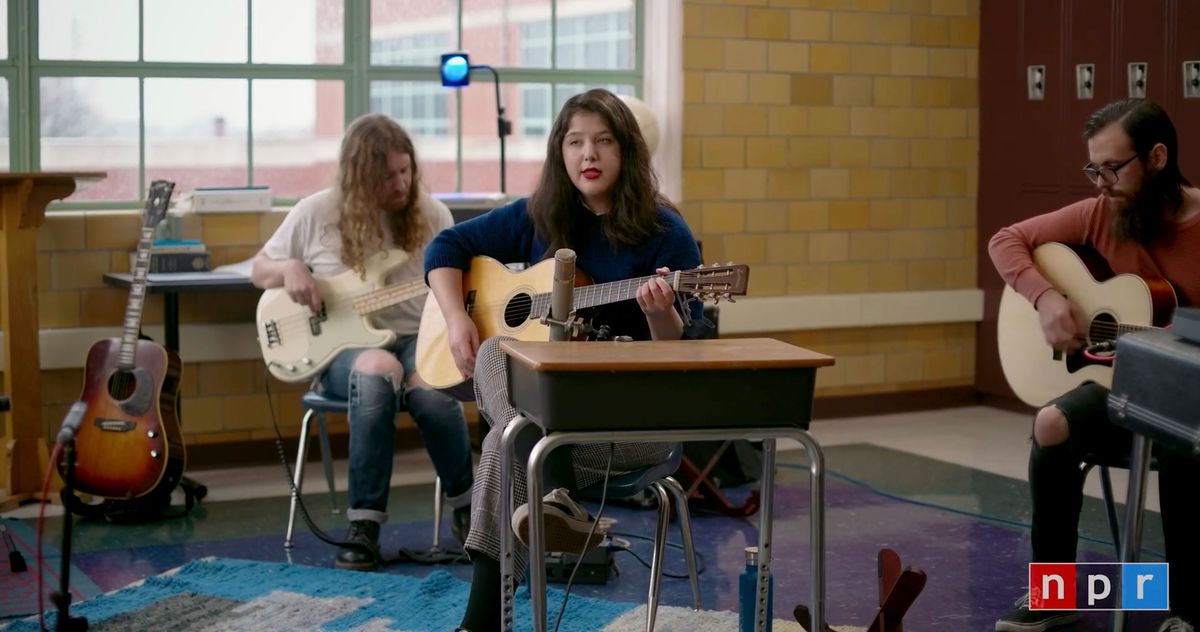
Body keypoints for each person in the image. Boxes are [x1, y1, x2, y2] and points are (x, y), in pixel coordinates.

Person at [424, 88, 711, 632]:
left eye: (603, 142)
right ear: (560, 152)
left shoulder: (666, 233)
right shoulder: (541, 218)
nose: (589, 155)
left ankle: (479, 623)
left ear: (626, 152)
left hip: (632, 418)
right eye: (576, 142)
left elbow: (679, 357)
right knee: (492, 351)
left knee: (502, 446)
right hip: (553, 422)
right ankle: (555, 498)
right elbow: (444, 247)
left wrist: (658, 313)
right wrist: (458, 318)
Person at [989, 99, 1200, 632]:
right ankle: (1053, 594)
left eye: (1112, 168)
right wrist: (1045, 299)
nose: (1100, 183)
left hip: (1191, 399)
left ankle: (1186, 610)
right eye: (1093, 169)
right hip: (1123, 388)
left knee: (1182, 439)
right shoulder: (1101, 214)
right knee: (1051, 423)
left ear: (1156, 157)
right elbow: (1006, 240)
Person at [251, 113, 474, 571]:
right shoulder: (315, 213)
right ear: (357, 176)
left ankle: (471, 511)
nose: (400, 183)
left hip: (416, 336)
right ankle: (365, 525)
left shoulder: (432, 215)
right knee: (377, 371)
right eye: (386, 175)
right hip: (340, 353)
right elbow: (259, 269)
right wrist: (290, 269)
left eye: (405, 170)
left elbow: (455, 282)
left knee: (434, 391)